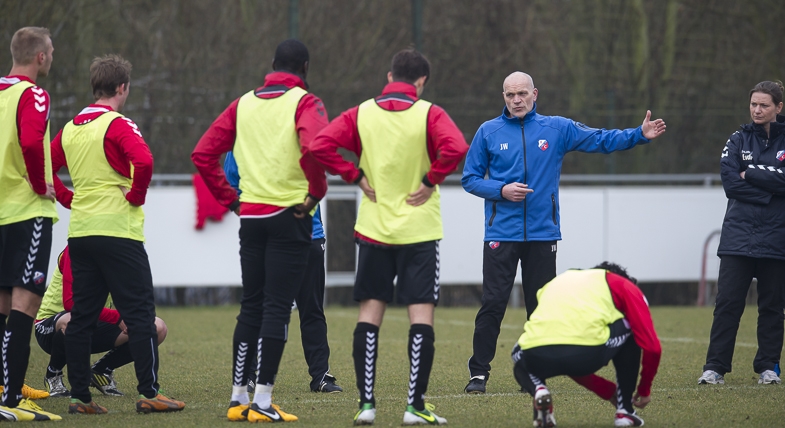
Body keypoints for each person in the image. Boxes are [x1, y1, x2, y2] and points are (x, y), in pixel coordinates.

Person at [461, 71, 667, 394]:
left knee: (542, 307)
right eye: (510, 95)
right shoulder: (488, 131)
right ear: (503, 97)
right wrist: (501, 190)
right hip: (500, 233)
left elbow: (600, 139)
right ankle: (478, 374)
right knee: (493, 304)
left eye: (522, 94)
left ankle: (533, 370)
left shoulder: (556, 128)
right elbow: (469, 178)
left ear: (535, 94)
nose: (516, 100)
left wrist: (638, 135)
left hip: (544, 234)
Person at [310, 48, 468, 426]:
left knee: (369, 314)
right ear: (422, 81)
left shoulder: (361, 112)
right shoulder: (430, 113)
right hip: (419, 230)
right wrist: (431, 181)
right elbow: (457, 147)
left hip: (374, 228)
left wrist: (353, 175)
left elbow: (319, 145)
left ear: (388, 76)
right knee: (421, 316)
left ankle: (367, 405)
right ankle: (415, 406)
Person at [192, 39, 328, 423]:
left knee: (251, 305)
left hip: (250, 219)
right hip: (289, 216)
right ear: (304, 67)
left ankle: (238, 397)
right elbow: (314, 148)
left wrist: (232, 200)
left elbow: (202, 154)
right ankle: (263, 402)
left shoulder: (242, 103)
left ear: (271, 65)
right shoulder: (305, 101)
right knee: (277, 308)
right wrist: (314, 194)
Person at [51, 54, 185, 415]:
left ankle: (80, 397)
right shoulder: (118, 124)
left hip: (80, 233)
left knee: (82, 317)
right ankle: (149, 393)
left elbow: (45, 168)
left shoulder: (71, 128)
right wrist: (136, 196)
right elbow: (144, 162)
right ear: (122, 87)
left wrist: (68, 199)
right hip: (118, 233)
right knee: (140, 315)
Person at [223, 151, 342, 394]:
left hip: (310, 235)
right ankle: (250, 377)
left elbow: (324, 168)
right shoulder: (243, 132)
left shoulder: (302, 130)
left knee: (312, 309)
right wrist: (242, 208)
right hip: (271, 238)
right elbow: (229, 181)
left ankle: (321, 376)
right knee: (264, 308)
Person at [698, 80, 785, 386]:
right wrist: (769, 192)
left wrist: (753, 173)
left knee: (772, 307)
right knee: (727, 305)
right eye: (753, 104)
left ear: (778, 107)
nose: (757, 110)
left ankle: (768, 367)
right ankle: (715, 368)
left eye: (764, 105)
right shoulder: (737, 139)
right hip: (737, 237)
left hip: (777, 238)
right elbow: (730, 182)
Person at [512, 262, 661, 427]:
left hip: (537, 354)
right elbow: (652, 347)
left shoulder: (559, 282)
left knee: (519, 353)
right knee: (632, 327)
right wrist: (644, 389)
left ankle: (539, 390)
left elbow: (565, 352)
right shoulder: (621, 283)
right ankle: (625, 411)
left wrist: (606, 389)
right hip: (588, 354)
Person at [0, 26, 61, 422]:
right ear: (40, 57)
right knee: (26, 303)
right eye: (51, 51)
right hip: (26, 211)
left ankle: (3, 391)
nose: (52, 56)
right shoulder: (32, 93)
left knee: (3, 305)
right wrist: (42, 186)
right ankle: (12, 400)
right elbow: (29, 141)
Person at [35, 245, 169, 398]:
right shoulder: (76, 249)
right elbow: (72, 303)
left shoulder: (123, 255)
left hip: (94, 322)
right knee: (72, 319)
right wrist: (117, 317)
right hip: (52, 325)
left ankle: (101, 371)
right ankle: (53, 374)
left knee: (157, 327)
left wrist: (133, 317)